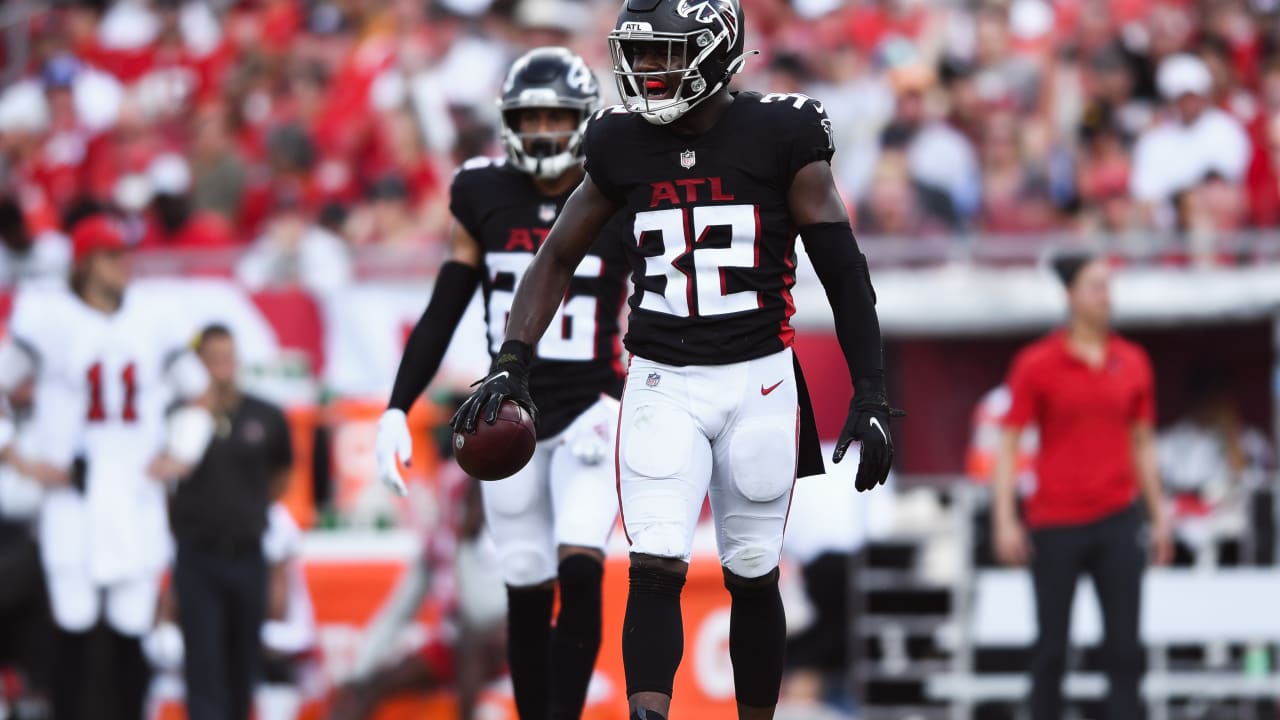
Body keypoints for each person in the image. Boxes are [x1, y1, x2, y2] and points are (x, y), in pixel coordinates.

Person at [450, 4, 902, 717]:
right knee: (654, 564)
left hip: (759, 378)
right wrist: (512, 359)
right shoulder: (619, 143)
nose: (646, 71)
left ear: (716, 53)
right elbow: (556, 255)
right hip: (662, 378)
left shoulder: (781, 133)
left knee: (752, 571)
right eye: (641, 55)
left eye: (663, 54)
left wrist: (872, 391)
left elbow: (845, 271)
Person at [374, 47, 629, 720]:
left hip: (592, 412)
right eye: (531, 117)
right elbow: (443, 308)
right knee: (524, 582)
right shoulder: (482, 191)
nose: (544, 131)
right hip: (508, 412)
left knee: (580, 568)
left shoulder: (615, 192)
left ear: (581, 121)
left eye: (556, 117)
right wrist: (396, 405)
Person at [0, 214, 213, 720]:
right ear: (87, 262)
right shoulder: (47, 317)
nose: (126, 264)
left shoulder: (153, 316)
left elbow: (200, 393)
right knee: (71, 620)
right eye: (114, 255)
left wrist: (181, 453)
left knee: (132, 623)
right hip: (72, 490)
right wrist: (17, 457)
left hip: (134, 489)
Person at [992, 253, 1172, 720]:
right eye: (1095, 286)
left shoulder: (1131, 361)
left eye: (1108, 286)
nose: (1104, 297)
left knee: (1125, 651)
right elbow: (1008, 445)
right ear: (1070, 295)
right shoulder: (1037, 363)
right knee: (1051, 649)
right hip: (1056, 521)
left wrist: (1160, 517)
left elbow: (1143, 444)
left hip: (1117, 516)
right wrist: (1005, 519)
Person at [170, 324, 294, 720]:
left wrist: (247, 509)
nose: (223, 367)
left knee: (244, 663)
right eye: (214, 359)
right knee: (203, 664)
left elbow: (281, 476)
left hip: (247, 554)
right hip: (198, 557)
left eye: (229, 357)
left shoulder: (266, 415)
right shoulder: (179, 416)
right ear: (200, 364)